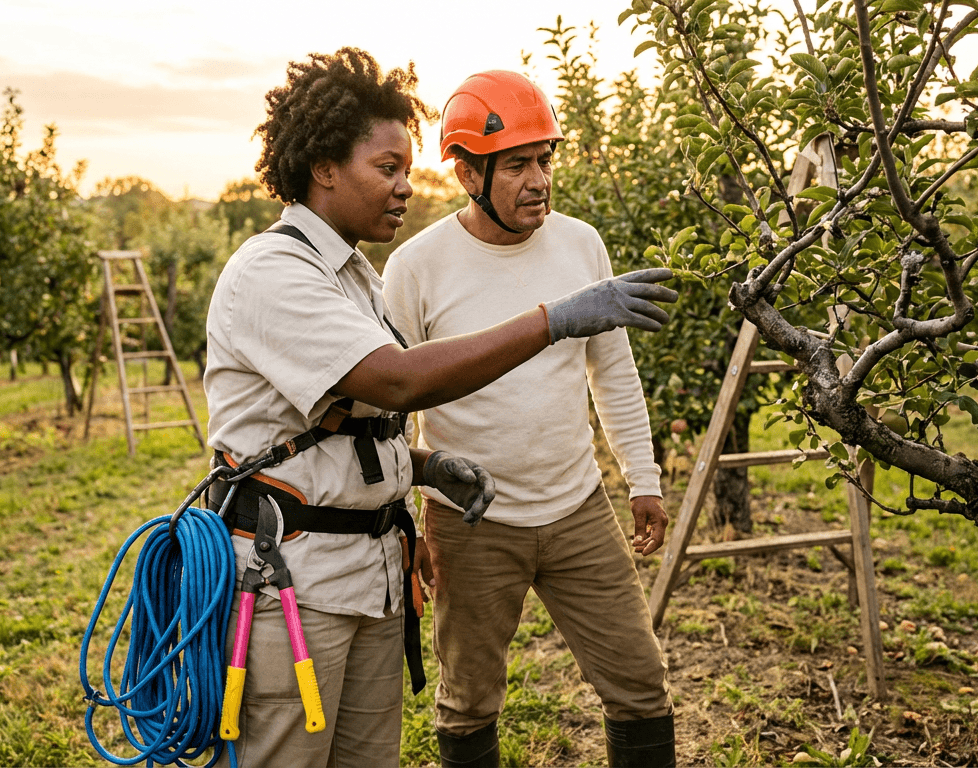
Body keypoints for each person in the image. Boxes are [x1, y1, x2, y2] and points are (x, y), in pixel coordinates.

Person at [205, 50, 677, 768]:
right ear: (326, 166)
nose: (402, 186)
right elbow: (396, 383)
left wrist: (421, 468)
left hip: (367, 575)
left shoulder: (353, 276)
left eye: (543, 159)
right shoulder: (278, 273)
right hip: (294, 578)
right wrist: (552, 318)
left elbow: (358, 420)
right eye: (387, 168)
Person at [381, 70, 677, 768]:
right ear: (466, 173)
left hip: (578, 508)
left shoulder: (581, 245)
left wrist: (643, 478)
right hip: (470, 519)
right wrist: (403, 516)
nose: (539, 179)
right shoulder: (416, 268)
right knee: (468, 700)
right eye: (517, 164)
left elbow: (614, 371)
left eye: (546, 159)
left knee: (640, 683)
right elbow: (391, 407)